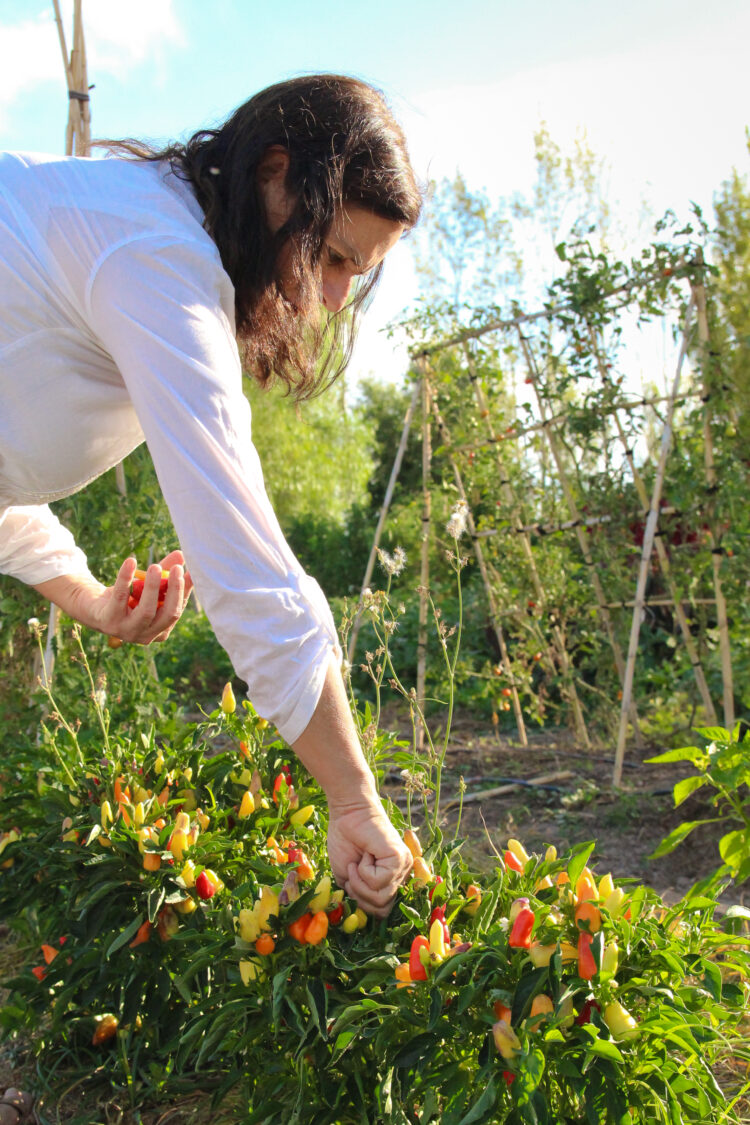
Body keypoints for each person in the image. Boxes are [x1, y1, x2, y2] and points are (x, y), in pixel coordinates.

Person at [0, 74, 422, 916]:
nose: (335, 297)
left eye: (357, 273)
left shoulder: (146, 240)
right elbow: (244, 565)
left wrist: (86, 598)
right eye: (334, 256)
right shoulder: (156, 257)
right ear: (274, 175)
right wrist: (351, 796)